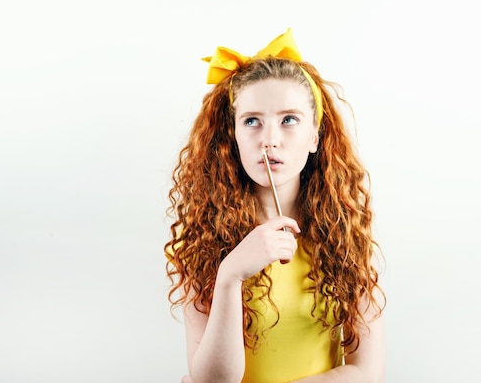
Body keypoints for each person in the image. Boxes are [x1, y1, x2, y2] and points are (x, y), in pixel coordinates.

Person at [164, 28, 386, 383]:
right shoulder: (198, 242)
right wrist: (230, 274)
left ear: (315, 136)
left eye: (289, 120)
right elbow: (211, 380)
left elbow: (368, 372)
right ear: (232, 138)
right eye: (252, 121)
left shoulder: (346, 235)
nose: (269, 139)